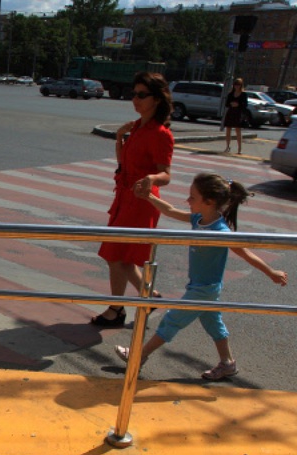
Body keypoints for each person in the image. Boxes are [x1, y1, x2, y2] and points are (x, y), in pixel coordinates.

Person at [115, 173, 288, 380]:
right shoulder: (199, 219)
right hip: (201, 286)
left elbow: (245, 253)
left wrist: (271, 272)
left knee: (172, 321)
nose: (188, 201)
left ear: (210, 201)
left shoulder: (220, 232)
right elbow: (170, 210)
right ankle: (227, 363)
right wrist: (149, 197)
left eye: (192, 197)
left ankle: (139, 356)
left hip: (204, 289)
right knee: (213, 324)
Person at [91, 71, 174, 328]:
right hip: (125, 197)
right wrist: (119, 138)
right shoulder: (136, 127)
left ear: (157, 99)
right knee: (115, 255)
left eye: (141, 95)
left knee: (120, 257)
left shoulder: (160, 134)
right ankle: (132, 303)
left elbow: (166, 175)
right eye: (133, 94)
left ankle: (128, 305)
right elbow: (122, 162)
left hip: (141, 201)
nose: (135, 100)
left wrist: (151, 177)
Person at [224, 78, 247, 154]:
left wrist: (238, 104)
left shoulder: (243, 94)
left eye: (238, 85)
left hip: (238, 113)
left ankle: (239, 148)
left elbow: (245, 105)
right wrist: (231, 104)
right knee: (228, 129)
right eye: (235, 85)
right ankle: (227, 146)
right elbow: (226, 104)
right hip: (231, 112)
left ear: (241, 86)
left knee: (238, 130)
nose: (237, 86)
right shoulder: (230, 94)